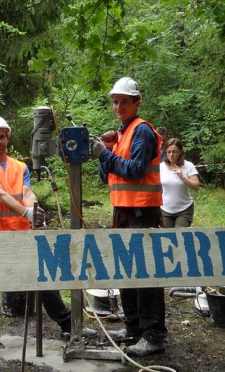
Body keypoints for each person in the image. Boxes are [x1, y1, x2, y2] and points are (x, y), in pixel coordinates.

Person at [0, 115, 97, 368]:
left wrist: (34, 209)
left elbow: (27, 192)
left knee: (44, 281)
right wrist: (25, 212)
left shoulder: (20, 166)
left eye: (3, 136)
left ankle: (70, 326)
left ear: (8, 137)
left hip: (21, 233)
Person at [91, 77, 167, 357]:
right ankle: (134, 328)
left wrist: (104, 153)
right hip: (123, 212)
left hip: (142, 212)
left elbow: (135, 170)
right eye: (115, 102)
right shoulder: (123, 134)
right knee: (126, 270)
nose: (119, 106)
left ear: (137, 101)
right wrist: (106, 151)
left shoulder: (142, 131)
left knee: (146, 273)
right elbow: (106, 176)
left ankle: (154, 335)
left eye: (124, 102)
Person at [160, 138, 200, 227]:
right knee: (167, 238)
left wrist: (183, 177)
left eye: (175, 152)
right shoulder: (161, 167)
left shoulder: (188, 166)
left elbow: (196, 186)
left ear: (180, 152)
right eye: (168, 152)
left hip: (184, 209)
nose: (171, 155)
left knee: (179, 236)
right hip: (165, 209)